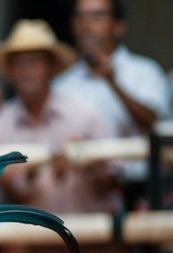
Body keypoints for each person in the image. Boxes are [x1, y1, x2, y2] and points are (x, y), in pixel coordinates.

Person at [0, 19, 127, 253]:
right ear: (10, 71)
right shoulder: (0, 125)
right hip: (36, 247)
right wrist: (39, 169)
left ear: (51, 67)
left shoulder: (84, 114)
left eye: (35, 61)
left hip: (94, 245)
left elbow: (113, 179)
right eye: (19, 63)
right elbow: (6, 191)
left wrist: (87, 161)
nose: (26, 70)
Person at [53, 0, 170, 196]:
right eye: (80, 17)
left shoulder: (145, 71)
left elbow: (153, 124)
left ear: (118, 26)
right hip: (86, 194)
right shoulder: (62, 85)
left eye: (97, 16)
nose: (86, 24)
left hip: (142, 191)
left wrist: (112, 82)